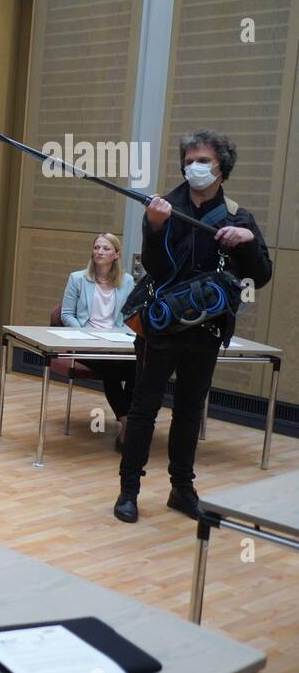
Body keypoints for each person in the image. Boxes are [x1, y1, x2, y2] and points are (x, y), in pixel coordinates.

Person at [114, 129, 273, 524]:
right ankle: (128, 490)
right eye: (188, 161)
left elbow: (261, 275)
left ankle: (182, 489)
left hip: (206, 331)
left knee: (188, 413)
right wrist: (153, 227)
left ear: (222, 167)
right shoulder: (165, 205)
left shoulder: (238, 215)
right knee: (143, 408)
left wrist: (248, 240)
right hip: (162, 327)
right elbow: (159, 268)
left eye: (202, 161)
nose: (194, 167)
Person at [61, 233, 136, 450]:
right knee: (110, 366)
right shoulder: (77, 278)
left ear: (116, 254)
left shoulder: (128, 281)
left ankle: (127, 421)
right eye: (96, 248)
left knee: (135, 366)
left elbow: (130, 316)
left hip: (116, 342)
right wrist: (86, 333)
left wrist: (120, 335)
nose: (99, 252)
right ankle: (126, 422)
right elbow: (66, 315)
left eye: (105, 248)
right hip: (85, 342)